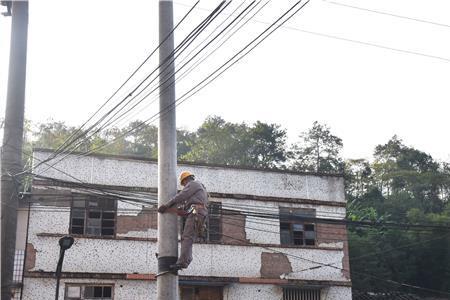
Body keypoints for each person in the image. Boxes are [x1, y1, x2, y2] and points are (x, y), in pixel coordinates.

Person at [158, 171, 208, 270]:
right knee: (187, 237)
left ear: (186, 180)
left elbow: (181, 196)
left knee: (187, 237)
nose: (184, 186)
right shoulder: (198, 187)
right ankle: (185, 260)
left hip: (196, 212)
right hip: (197, 212)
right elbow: (186, 204)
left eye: (183, 183)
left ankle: (183, 262)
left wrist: (167, 205)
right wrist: (180, 209)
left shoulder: (193, 184)